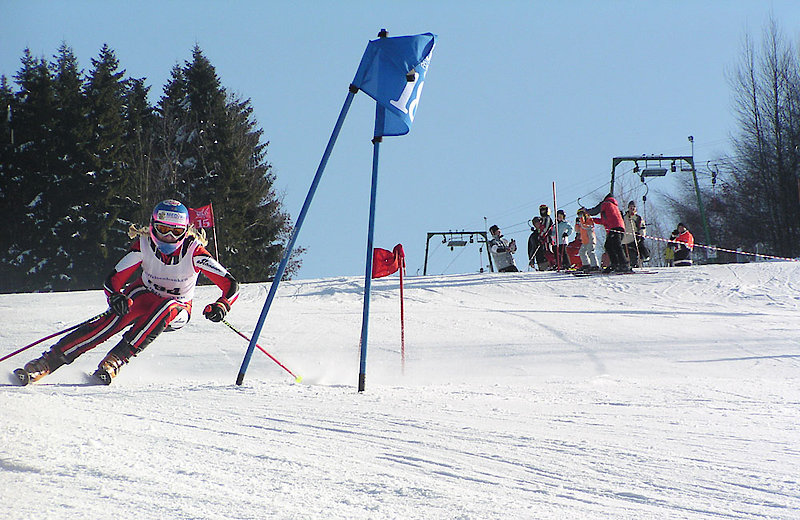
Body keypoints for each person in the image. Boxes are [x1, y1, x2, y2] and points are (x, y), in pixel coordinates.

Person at [14, 199, 240, 385]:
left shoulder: (194, 250)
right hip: (143, 295)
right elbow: (114, 279)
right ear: (152, 226)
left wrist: (222, 305)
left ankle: (117, 359)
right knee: (110, 322)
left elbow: (230, 284)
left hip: (177, 306)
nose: (168, 238)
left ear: (185, 231)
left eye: (175, 232)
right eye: (162, 230)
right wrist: (115, 296)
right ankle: (47, 362)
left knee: (167, 306)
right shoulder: (143, 244)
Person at [583, 193, 629, 273]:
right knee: (609, 246)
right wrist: (592, 220)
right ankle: (615, 264)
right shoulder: (612, 207)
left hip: (614, 227)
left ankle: (623, 264)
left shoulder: (607, 204)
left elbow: (595, 210)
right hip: (617, 227)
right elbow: (604, 221)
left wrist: (586, 211)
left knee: (616, 246)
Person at [621, 200, 646, 268]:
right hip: (625, 239)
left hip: (633, 238)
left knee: (633, 252)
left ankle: (635, 263)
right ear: (628, 208)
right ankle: (626, 265)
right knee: (625, 253)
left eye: (634, 207)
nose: (632, 208)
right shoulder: (624, 217)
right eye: (631, 207)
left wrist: (641, 236)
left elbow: (642, 227)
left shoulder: (638, 218)